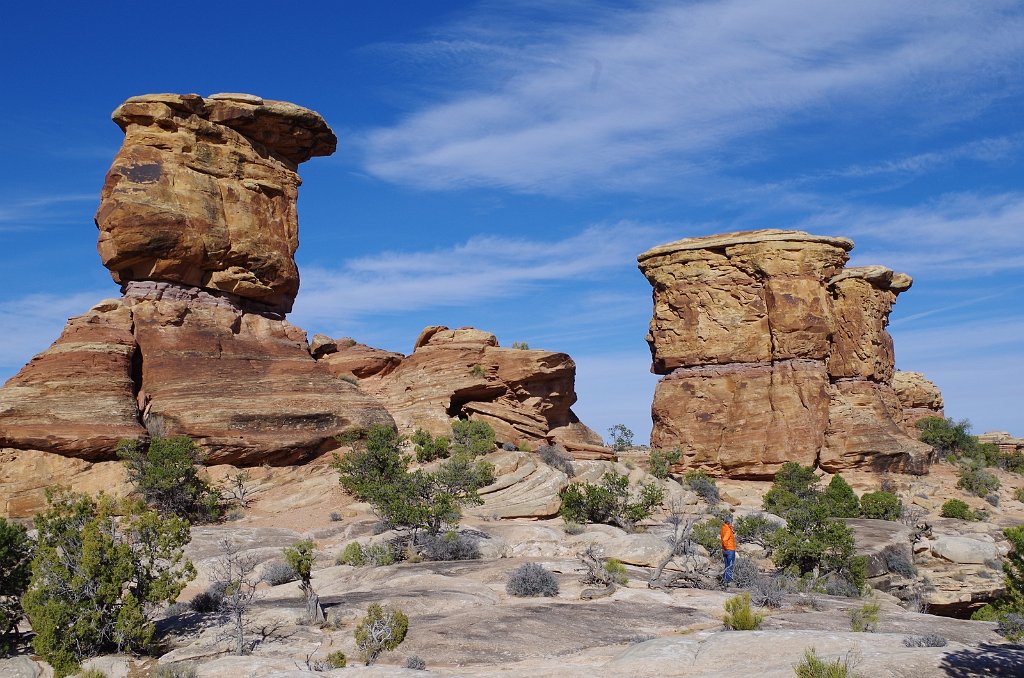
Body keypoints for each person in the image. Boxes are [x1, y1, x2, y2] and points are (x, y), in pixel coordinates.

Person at [720, 514, 736, 587]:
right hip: (729, 550)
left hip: (725, 550)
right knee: (730, 566)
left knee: (726, 566)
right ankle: (728, 582)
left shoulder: (723, 527)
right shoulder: (728, 530)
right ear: (729, 522)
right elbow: (724, 539)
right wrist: (727, 547)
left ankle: (725, 580)